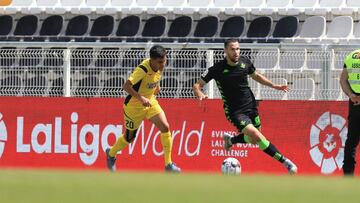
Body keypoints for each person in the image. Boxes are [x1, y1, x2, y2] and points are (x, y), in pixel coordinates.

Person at [192, 38, 297, 174]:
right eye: (232, 49)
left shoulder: (245, 62)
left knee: (253, 140)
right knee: (258, 136)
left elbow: (256, 76)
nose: (236, 52)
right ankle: (286, 162)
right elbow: (197, 85)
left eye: (237, 49)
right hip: (235, 112)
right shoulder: (217, 69)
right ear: (225, 51)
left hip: (251, 106)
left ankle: (232, 140)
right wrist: (199, 93)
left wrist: (274, 85)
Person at [106, 45, 181, 172]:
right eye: (160, 62)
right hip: (134, 106)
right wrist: (141, 99)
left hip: (150, 101)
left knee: (165, 127)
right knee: (129, 138)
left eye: (165, 60)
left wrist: (157, 87)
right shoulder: (142, 69)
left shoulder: (159, 66)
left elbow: (155, 77)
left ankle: (168, 164)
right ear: (152, 60)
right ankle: (111, 154)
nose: (163, 64)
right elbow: (126, 86)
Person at [340, 49, 360, 176]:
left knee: (352, 140)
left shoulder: (351, 56)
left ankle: (348, 174)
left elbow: (343, 80)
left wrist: (351, 95)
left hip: (354, 102)